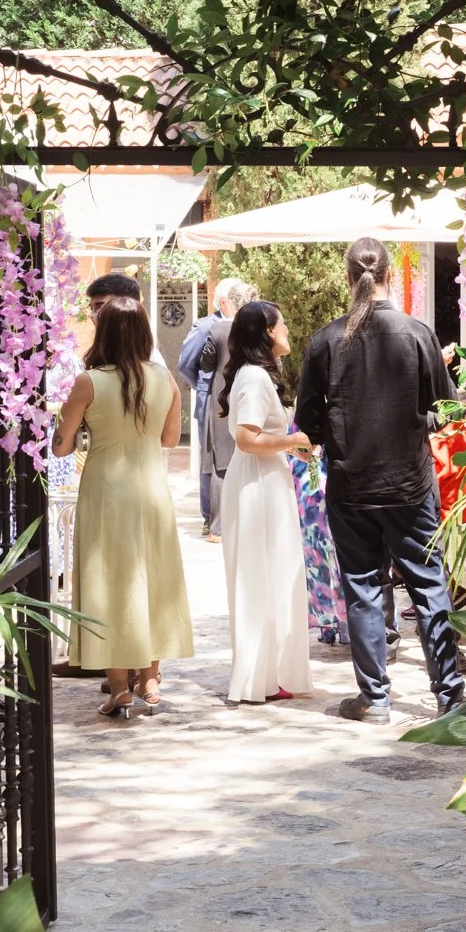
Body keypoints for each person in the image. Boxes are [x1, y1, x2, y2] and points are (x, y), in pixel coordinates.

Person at [296, 238, 466, 725]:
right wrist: (421, 424)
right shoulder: (417, 332)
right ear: (389, 274)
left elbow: (307, 421)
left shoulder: (326, 339)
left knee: (364, 588)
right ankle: (450, 698)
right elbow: (448, 407)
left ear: (348, 278)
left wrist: (340, 434)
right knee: (429, 587)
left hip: (351, 486)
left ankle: (375, 699)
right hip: (411, 484)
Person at [52, 301, 192, 716]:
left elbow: (61, 446)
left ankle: (118, 688)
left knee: (107, 580)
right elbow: (169, 440)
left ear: (104, 332)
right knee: (153, 575)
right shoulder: (165, 379)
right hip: (151, 488)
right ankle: (150, 679)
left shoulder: (88, 382)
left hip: (106, 491)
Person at [218, 300, 316, 704]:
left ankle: (268, 673)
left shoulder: (252, 376)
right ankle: (259, 676)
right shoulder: (255, 378)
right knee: (261, 575)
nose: (289, 332)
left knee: (268, 575)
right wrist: (292, 441)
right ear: (267, 333)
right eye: (283, 326)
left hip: (263, 479)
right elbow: (246, 437)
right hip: (258, 483)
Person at [178, 277, 249, 536]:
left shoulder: (248, 324)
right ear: (223, 302)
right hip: (211, 398)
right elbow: (187, 364)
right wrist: (204, 387)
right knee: (212, 458)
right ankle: (210, 517)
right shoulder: (206, 326)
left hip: (239, 397)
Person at [197, 279, 258, 541]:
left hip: (222, 401)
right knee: (251, 456)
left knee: (220, 463)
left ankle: (217, 528)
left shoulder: (218, 330)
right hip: (253, 397)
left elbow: (204, 364)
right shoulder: (259, 328)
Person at [86, 273, 166, 366]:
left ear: (126, 305)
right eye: (91, 308)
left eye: (99, 306)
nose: (92, 315)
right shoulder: (106, 350)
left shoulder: (151, 360)